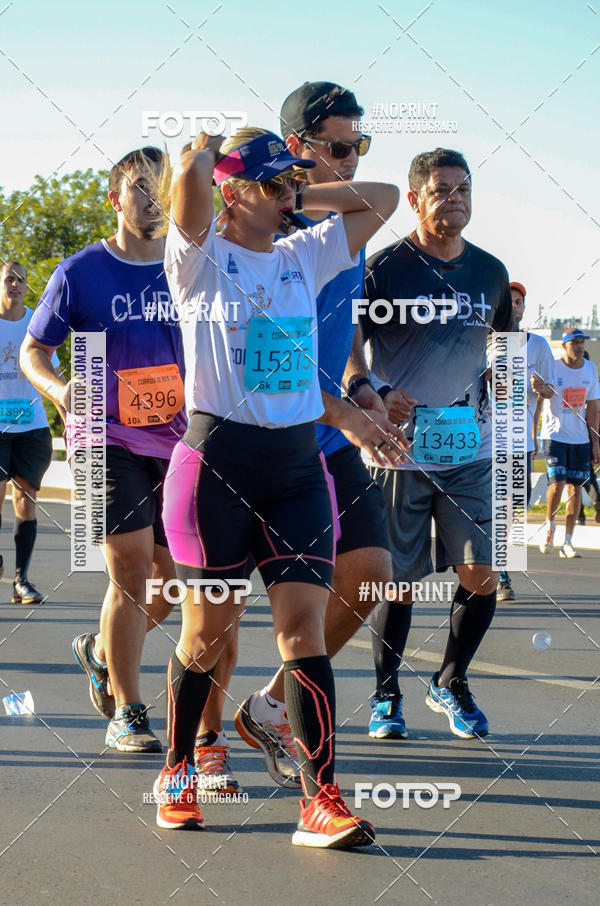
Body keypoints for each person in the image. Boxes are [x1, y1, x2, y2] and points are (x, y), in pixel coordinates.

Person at [154, 126, 400, 847]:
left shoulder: (305, 252)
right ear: (231, 194)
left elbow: (381, 199)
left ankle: (319, 799)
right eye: (272, 183)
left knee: (300, 630)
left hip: (297, 470)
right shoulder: (198, 258)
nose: (290, 191)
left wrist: (292, 186)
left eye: (293, 181)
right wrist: (202, 159)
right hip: (216, 467)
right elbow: (191, 185)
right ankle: (176, 769)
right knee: (206, 634)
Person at [20, 147, 186, 752]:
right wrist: (60, 388)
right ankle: (129, 709)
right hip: (104, 437)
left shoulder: (187, 266)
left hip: (178, 441)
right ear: (115, 199)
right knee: (133, 573)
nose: (155, 199)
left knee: (171, 582)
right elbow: (33, 351)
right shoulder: (80, 272)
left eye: (163, 188)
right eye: (142, 188)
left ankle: (98, 652)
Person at [362, 147, 513, 740]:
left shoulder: (491, 271)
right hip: (399, 449)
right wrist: (373, 388)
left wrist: (505, 377)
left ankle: (450, 680)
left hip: (469, 450)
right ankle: (384, 697)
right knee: (396, 582)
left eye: (464, 189)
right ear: (417, 197)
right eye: (443, 189)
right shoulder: (383, 268)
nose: (456, 199)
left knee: (481, 573)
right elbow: (349, 341)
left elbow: (502, 344)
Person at [496, 281, 556, 602]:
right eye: (509, 301)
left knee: (513, 509)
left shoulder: (539, 346)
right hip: (486, 439)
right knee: (495, 508)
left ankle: (497, 567)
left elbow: (552, 391)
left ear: (523, 308)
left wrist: (542, 386)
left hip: (522, 440)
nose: (514, 307)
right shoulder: (484, 343)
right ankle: (498, 575)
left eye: (519, 302)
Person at [0, 261, 54, 603]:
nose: (16, 284)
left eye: (21, 279)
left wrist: (69, 414)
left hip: (32, 429)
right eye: (9, 278)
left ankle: (22, 580)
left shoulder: (37, 322)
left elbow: (50, 373)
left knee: (26, 502)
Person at [539, 328, 600, 558]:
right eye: (575, 343)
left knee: (575, 488)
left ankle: (568, 541)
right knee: (557, 485)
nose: (579, 347)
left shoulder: (591, 369)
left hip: (580, 438)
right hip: (555, 435)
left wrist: (595, 442)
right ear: (564, 346)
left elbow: (593, 408)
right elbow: (541, 397)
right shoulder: (553, 367)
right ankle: (549, 526)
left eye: (582, 343)